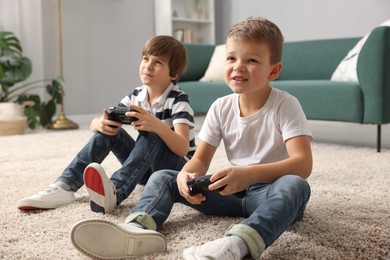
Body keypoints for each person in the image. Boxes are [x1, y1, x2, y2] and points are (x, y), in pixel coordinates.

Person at [70, 16, 313, 259]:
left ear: (274, 70)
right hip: (231, 191)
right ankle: (136, 229)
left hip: (269, 191)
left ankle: (237, 245)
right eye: (231, 58)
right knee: (164, 177)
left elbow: (302, 164)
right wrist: (187, 174)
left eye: (251, 60)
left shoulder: (285, 105)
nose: (238, 66)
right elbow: (200, 160)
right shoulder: (220, 107)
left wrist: (249, 173)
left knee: (296, 186)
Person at [17, 35, 196, 214]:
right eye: (145, 59)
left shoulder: (179, 99)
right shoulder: (137, 95)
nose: (148, 66)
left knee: (152, 134)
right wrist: (99, 124)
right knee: (111, 131)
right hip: (146, 170)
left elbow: (182, 147)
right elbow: (99, 123)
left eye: (158, 63)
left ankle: (116, 190)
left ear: (173, 73)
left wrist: (156, 125)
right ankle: (65, 185)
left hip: (177, 172)